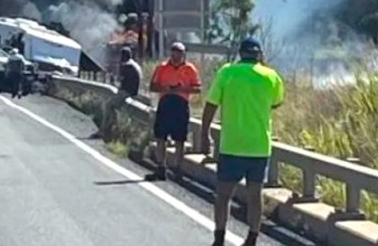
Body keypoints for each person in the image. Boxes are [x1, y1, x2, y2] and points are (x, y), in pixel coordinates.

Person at [199, 37, 285, 246]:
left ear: (240, 54)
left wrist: (205, 134)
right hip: (259, 147)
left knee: (223, 195)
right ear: (259, 54)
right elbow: (276, 102)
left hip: (232, 146)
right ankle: (252, 238)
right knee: (255, 195)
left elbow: (211, 105)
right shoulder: (271, 76)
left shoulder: (227, 72)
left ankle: (219, 238)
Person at [145, 41, 201, 181]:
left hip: (181, 104)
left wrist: (181, 89)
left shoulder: (190, 69)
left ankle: (178, 169)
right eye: (174, 52)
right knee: (161, 137)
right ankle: (161, 167)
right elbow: (152, 86)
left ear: (183, 54)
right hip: (165, 103)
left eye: (179, 53)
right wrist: (165, 88)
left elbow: (197, 88)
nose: (176, 56)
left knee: (180, 138)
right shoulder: (162, 68)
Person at [90, 46, 142, 140]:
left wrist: (112, 74)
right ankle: (112, 127)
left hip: (127, 92)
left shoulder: (126, 65)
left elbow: (119, 81)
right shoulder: (134, 64)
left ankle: (106, 129)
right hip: (133, 91)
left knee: (108, 105)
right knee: (111, 105)